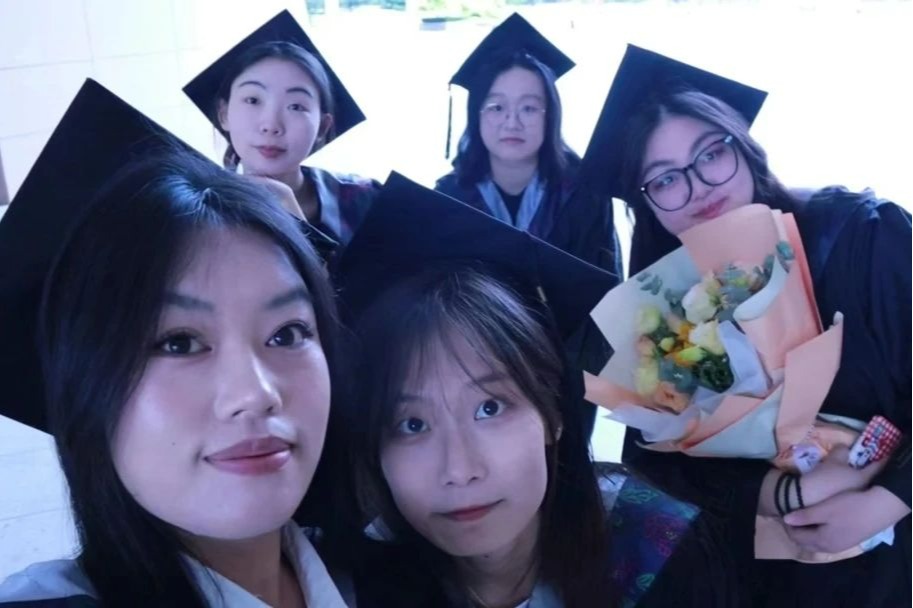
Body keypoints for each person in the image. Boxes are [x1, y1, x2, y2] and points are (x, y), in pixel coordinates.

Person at [582, 44, 911, 607]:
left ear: (745, 146)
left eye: (712, 153)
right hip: (757, 581)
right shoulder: (664, 311)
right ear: (647, 203)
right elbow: (659, 465)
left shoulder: (862, 238)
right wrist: (782, 494)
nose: (699, 188)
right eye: (665, 179)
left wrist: (887, 501)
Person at [0, 80, 349, 607]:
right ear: (86, 383)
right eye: (179, 342)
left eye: (288, 333)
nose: (256, 394)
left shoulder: (392, 577)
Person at [333, 174, 740, 608]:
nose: (460, 469)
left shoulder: (656, 550)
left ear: (554, 411)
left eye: (490, 407)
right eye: (412, 424)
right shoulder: (348, 586)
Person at [434, 13, 619, 278]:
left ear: (551, 116)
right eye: (497, 107)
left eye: (529, 108)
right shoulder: (449, 197)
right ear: (476, 115)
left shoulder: (585, 195)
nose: (512, 123)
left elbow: (605, 287)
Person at [184, 10, 378, 250]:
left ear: (322, 126)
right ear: (224, 115)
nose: (271, 125)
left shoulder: (364, 200)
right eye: (253, 100)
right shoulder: (197, 216)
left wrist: (294, 217)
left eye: (296, 106)